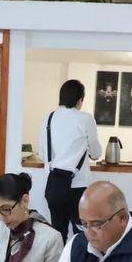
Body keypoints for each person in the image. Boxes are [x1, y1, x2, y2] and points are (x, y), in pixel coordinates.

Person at [40, 79, 102, 239]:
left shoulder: (49, 118)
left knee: (57, 233)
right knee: (81, 232)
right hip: (78, 185)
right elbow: (96, 153)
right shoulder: (85, 119)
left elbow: (42, 153)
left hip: (54, 184)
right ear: (80, 100)